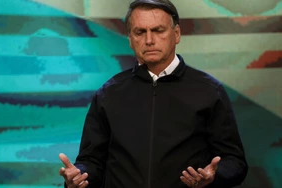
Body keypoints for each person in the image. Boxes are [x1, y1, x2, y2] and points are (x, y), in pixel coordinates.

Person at [58, 0, 248, 187]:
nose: (149, 40)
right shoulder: (109, 93)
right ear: (131, 39)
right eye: (140, 32)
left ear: (177, 34)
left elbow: (235, 162)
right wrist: (79, 176)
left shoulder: (209, 91)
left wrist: (215, 175)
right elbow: (92, 161)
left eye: (158, 30)